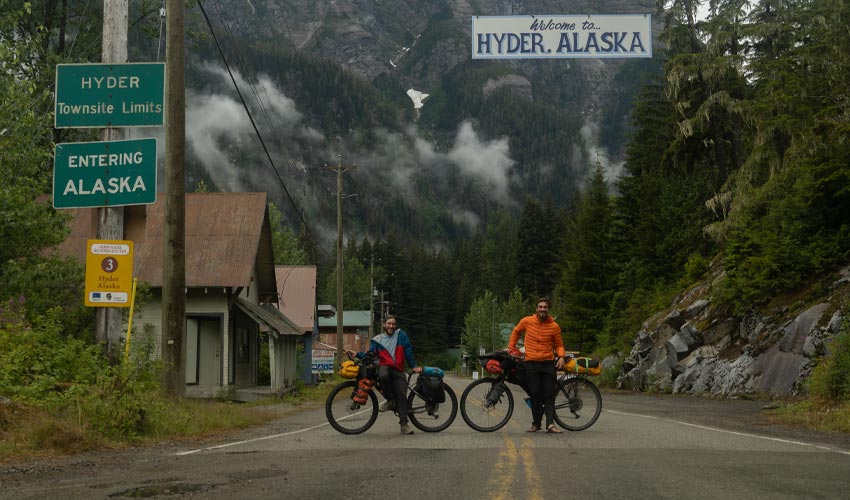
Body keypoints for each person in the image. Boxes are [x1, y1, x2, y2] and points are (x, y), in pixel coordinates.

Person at [347, 315, 422, 435]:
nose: (391, 326)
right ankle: (391, 400)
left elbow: (408, 350)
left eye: (393, 324)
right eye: (389, 324)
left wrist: (413, 365)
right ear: (384, 325)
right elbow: (370, 354)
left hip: (398, 370)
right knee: (382, 374)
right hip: (384, 367)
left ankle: (404, 425)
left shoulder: (401, 335)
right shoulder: (377, 340)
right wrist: (357, 354)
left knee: (402, 395)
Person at [507, 297, 566, 434]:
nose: (542, 309)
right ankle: (536, 424)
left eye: (545, 307)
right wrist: (511, 347)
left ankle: (550, 424)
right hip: (531, 363)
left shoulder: (554, 326)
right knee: (534, 393)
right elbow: (516, 331)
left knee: (549, 394)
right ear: (536, 309)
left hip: (548, 364)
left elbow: (559, 345)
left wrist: (561, 357)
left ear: (548, 309)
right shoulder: (527, 321)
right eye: (540, 307)